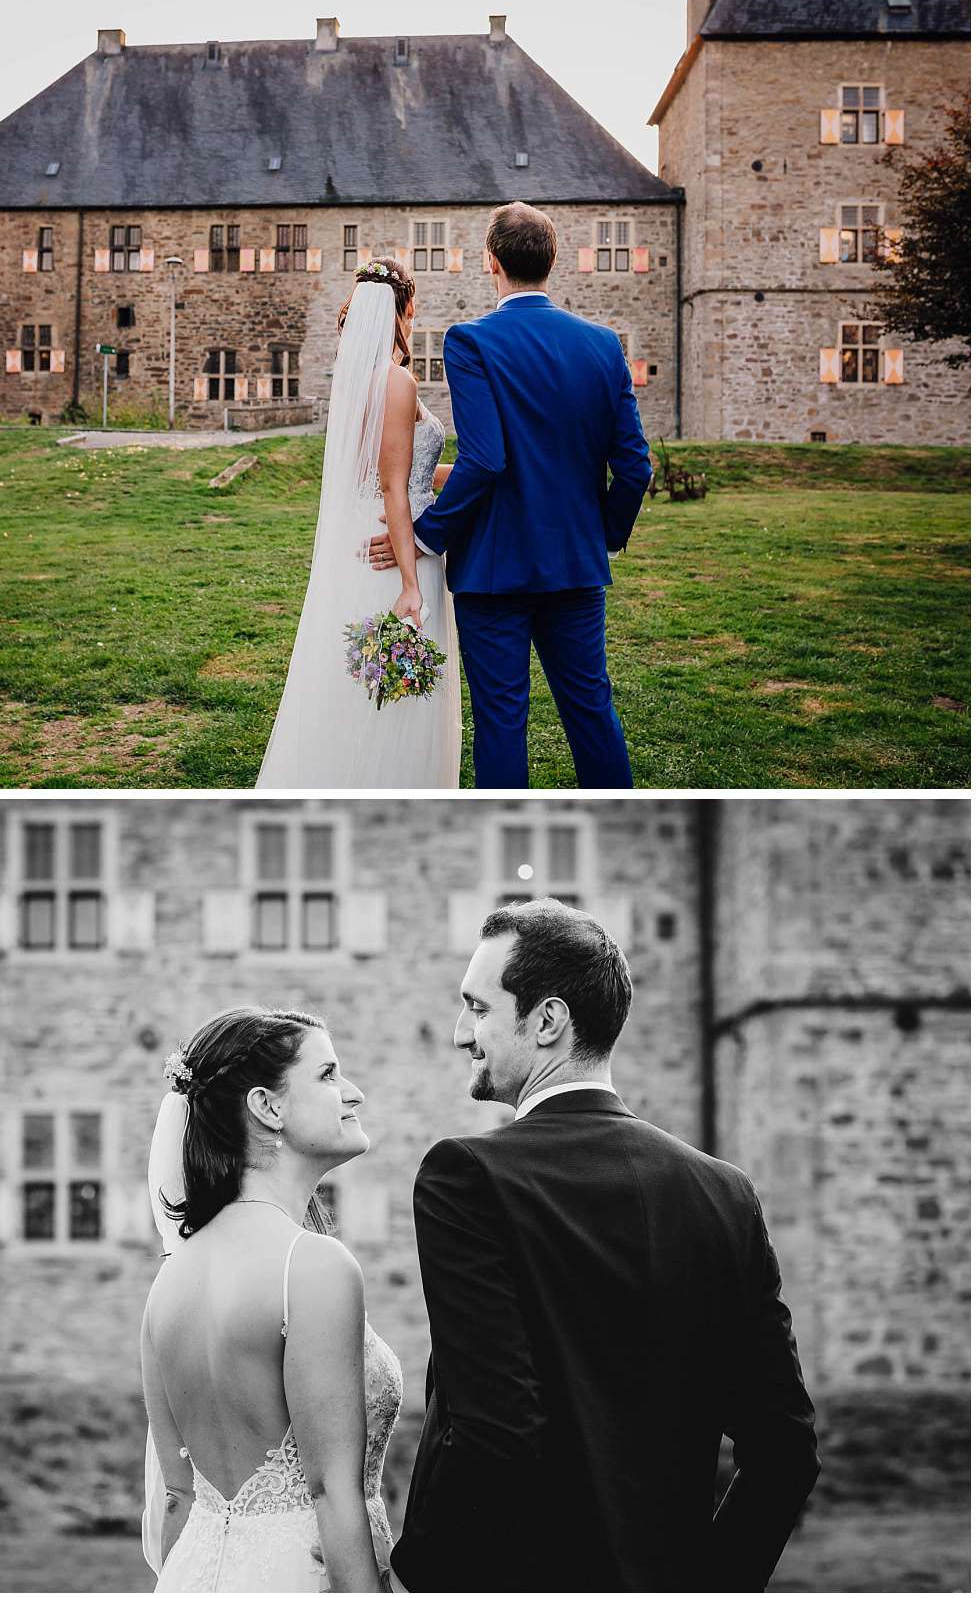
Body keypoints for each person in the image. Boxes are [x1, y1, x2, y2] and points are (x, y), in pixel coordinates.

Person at [392, 900, 820, 1595]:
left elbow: (493, 1430)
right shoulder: (724, 1192)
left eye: (477, 1007)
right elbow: (786, 1450)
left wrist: (425, 1574)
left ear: (548, 1020)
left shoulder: (467, 1174)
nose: (458, 1033)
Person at [370, 200, 652, 789]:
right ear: (552, 262)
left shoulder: (471, 341)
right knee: (591, 714)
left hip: (492, 574)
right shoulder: (604, 345)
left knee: (501, 723)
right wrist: (602, 535)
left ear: (490, 263)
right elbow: (634, 469)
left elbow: (486, 459)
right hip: (576, 566)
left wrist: (425, 534)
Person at [141, 1006, 402, 1593]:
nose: (353, 1093)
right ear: (268, 1106)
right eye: (329, 1075)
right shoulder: (312, 1264)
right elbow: (333, 1492)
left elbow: (178, 1497)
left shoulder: (170, 1281)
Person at [256, 260, 461, 789]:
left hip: (372, 532)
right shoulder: (396, 381)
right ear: (405, 309)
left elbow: (402, 468)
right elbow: (394, 485)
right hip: (398, 547)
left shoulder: (362, 382)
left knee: (371, 676)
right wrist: (411, 582)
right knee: (400, 679)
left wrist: (468, 476)